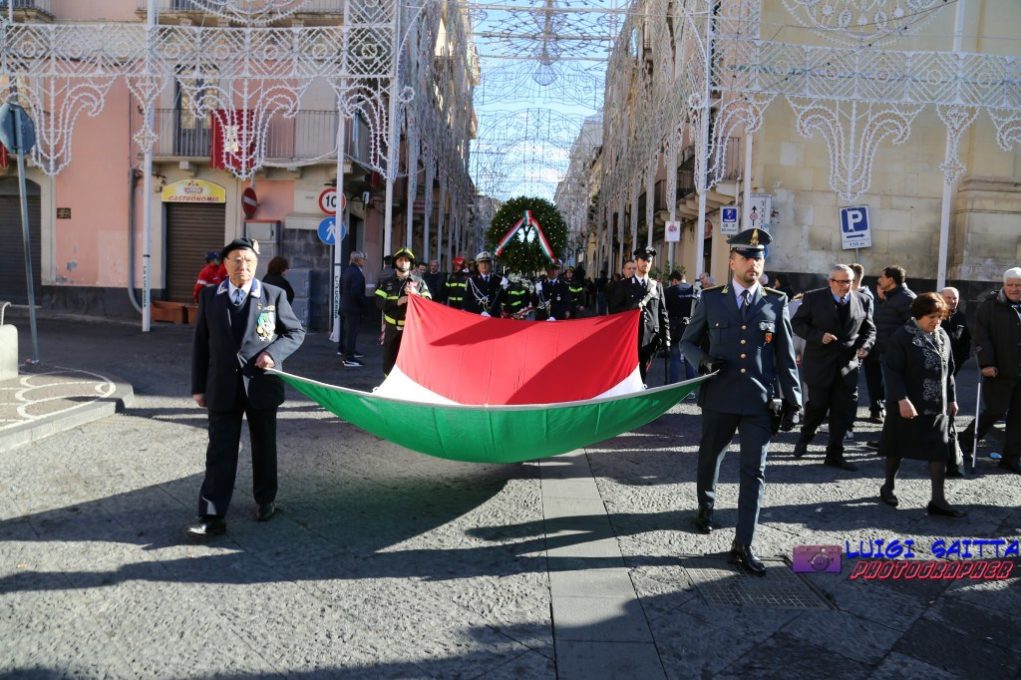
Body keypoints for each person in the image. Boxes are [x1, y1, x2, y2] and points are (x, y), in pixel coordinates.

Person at [680, 228, 801, 576]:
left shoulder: (776, 301)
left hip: (759, 402)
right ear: (732, 261)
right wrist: (703, 361)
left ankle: (742, 545)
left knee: (755, 472)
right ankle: (706, 507)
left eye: (759, 258)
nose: (754, 264)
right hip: (719, 396)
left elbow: (785, 356)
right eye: (747, 257)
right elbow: (687, 343)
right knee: (710, 456)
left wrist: (793, 400)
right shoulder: (712, 298)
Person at [187, 237, 306, 539]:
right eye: (237, 260)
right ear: (225, 264)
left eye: (249, 261)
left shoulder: (273, 294)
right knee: (219, 451)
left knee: (264, 447)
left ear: (256, 264)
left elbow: (295, 332)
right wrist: (198, 387)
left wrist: (273, 354)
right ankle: (212, 515)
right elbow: (201, 344)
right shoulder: (211, 296)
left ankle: (265, 500)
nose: (243, 266)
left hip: (262, 385)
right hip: (221, 386)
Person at [877, 293, 963, 516]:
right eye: (931, 316)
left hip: (937, 407)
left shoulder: (942, 334)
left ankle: (938, 500)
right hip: (908, 405)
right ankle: (888, 486)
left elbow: (949, 370)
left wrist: (952, 398)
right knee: (897, 447)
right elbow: (892, 371)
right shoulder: (902, 336)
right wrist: (902, 399)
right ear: (918, 315)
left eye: (940, 317)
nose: (936, 321)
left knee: (939, 451)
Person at [791, 265, 876, 470]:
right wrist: (819, 336)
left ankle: (835, 454)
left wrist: (865, 346)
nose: (845, 286)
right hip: (819, 363)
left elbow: (869, 329)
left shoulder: (863, 300)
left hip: (848, 365)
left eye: (849, 282)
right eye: (841, 282)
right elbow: (797, 323)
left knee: (842, 411)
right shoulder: (813, 298)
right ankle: (806, 435)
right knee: (817, 406)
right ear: (830, 282)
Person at [959, 267, 1021, 474]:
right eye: (1010, 284)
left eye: (1018, 285)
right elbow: (981, 337)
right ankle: (964, 442)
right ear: (1003, 285)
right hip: (999, 371)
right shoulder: (990, 306)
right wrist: (986, 363)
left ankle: (1011, 459)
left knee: (1018, 417)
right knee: (995, 411)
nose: (1014, 289)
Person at [609, 248, 669, 384]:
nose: (645, 263)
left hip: (651, 338)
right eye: (643, 260)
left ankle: (639, 388)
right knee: (630, 370)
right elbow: (614, 311)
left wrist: (666, 336)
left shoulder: (657, 286)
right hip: (631, 336)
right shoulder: (623, 285)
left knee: (643, 369)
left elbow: (662, 312)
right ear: (637, 261)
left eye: (649, 261)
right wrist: (631, 309)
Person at [869, 265, 917, 424]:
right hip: (887, 354)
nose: (879, 280)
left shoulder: (906, 298)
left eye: (881, 277)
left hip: (898, 356)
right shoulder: (890, 297)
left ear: (890, 279)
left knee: (897, 396)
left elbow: (913, 329)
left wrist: (896, 348)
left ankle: (895, 438)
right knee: (892, 397)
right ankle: (891, 437)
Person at [375, 247, 431, 377]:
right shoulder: (386, 282)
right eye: (400, 260)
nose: (403, 262)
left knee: (410, 361)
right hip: (391, 328)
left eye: (407, 260)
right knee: (389, 361)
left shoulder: (419, 282)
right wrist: (398, 302)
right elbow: (378, 303)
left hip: (411, 329)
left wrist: (416, 294)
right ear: (395, 262)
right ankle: (388, 389)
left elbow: (428, 303)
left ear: (411, 263)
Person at [941, 286, 971, 475]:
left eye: (955, 298)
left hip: (953, 369)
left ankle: (946, 433)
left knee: (949, 400)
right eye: (949, 297)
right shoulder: (934, 315)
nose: (952, 301)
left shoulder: (960, 318)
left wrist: (960, 362)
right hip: (934, 368)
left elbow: (965, 342)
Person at [664, 270, 698, 384]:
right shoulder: (696, 290)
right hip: (692, 328)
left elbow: (664, 310)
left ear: (674, 280)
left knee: (675, 358)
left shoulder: (669, 291)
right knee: (690, 359)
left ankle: (673, 387)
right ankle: (690, 390)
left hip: (675, 328)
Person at [339, 250, 369, 367]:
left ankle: (348, 355)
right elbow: (356, 293)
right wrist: (364, 304)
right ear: (357, 260)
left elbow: (341, 289)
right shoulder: (356, 273)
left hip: (346, 306)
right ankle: (349, 358)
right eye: (362, 259)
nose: (364, 261)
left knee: (348, 333)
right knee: (351, 333)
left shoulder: (347, 271)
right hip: (353, 309)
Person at [462, 251, 507, 316]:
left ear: (491, 265)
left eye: (487, 262)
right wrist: (481, 312)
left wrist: (505, 288)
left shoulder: (499, 280)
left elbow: (504, 300)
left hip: (494, 318)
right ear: (477, 265)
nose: (484, 265)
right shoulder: (471, 281)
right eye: (481, 263)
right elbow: (466, 303)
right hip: (477, 317)